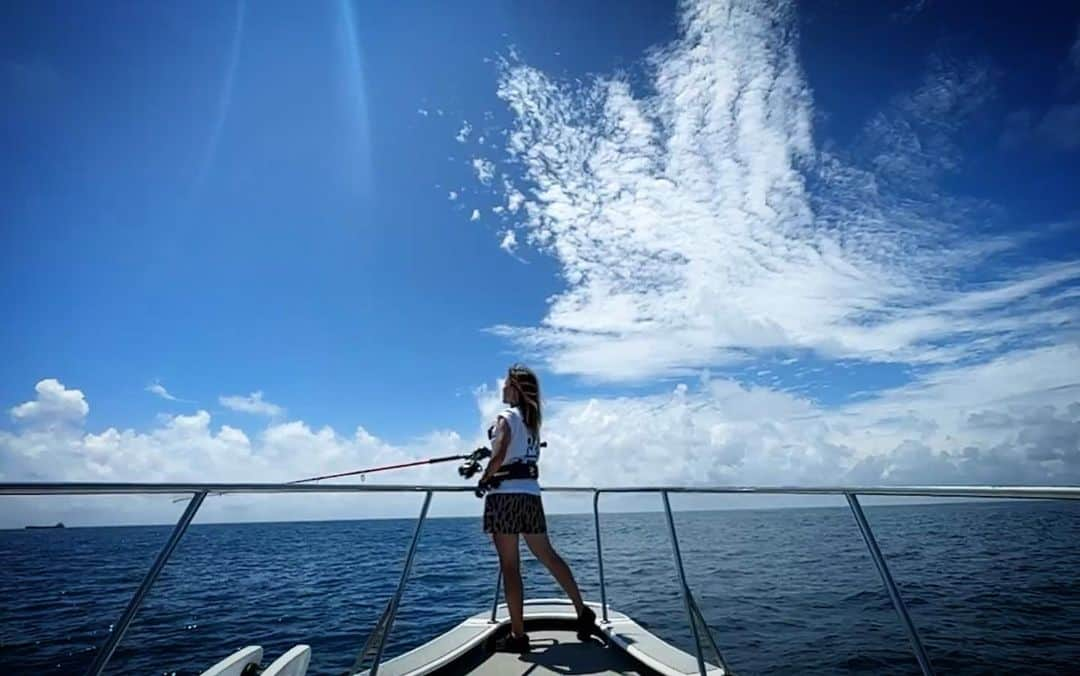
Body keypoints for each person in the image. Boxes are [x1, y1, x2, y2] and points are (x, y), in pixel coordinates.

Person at [479, 363, 595, 653]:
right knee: (548, 555)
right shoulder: (531, 423)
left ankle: (518, 637)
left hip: (505, 498)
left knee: (510, 566)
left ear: (516, 389)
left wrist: (484, 477)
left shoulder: (505, 417)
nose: (502, 388)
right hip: (531, 497)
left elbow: (500, 453)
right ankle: (582, 612)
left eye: (506, 383)